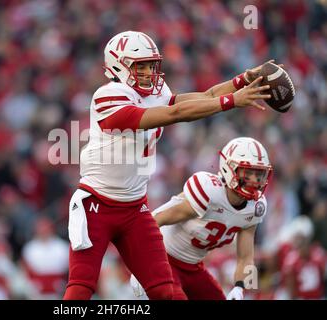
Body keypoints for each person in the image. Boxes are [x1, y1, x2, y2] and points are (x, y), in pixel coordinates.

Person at [64, 30, 272, 300]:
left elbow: (204, 95)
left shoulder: (155, 91)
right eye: (141, 66)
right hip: (96, 203)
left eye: (152, 65)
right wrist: (231, 101)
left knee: (165, 292)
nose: (150, 72)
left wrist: (241, 79)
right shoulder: (108, 96)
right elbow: (175, 114)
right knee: (81, 288)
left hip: (134, 208)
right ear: (118, 65)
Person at [130, 137, 273, 300]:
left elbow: (246, 257)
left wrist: (241, 288)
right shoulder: (209, 192)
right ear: (229, 168)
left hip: (193, 268)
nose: (255, 180)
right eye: (248, 173)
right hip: (163, 259)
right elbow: (155, 220)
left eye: (259, 174)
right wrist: (141, 262)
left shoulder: (255, 208)